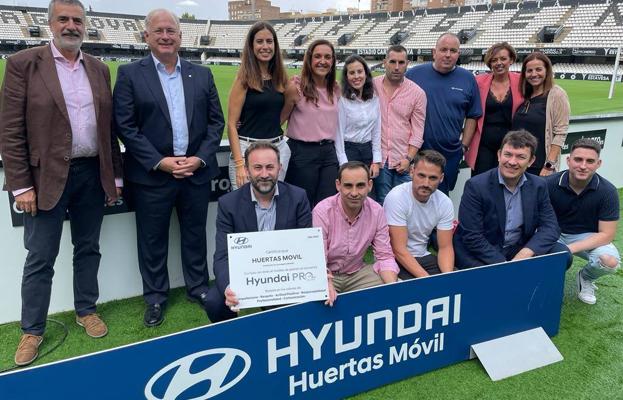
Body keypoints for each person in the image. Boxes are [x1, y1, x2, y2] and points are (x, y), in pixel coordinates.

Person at [0, 0, 122, 366]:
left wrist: (114, 175)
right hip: (45, 178)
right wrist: (20, 184)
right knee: (40, 257)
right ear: (50, 24)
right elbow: (10, 130)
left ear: (86, 25)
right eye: (64, 19)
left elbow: (108, 128)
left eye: (78, 20)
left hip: (90, 174)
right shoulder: (23, 64)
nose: (71, 25)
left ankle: (86, 309)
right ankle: (32, 330)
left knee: (88, 247)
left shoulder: (99, 68)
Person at [113, 9, 224, 327]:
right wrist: (159, 162)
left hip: (195, 172)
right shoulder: (130, 74)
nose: (165, 36)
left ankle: (199, 288)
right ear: (146, 36)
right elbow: (125, 125)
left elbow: (216, 122)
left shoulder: (201, 74)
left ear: (180, 36)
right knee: (152, 239)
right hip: (152, 176)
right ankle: (156, 298)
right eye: (159, 30)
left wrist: (199, 158)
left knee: (194, 234)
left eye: (171, 31)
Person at [207, 142, 324, 322]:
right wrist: (229, 288)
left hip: (285, 275)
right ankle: (233, 338)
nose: (264, 174)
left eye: (270, 167)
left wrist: (317, 274)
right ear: (246, 170)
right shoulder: (228, 204)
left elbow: (307, 249)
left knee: (296, 308)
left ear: (280, 168)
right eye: (257, 168)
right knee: (215, 301)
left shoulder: (298, 197)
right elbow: (222, 257)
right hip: (245, 275)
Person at [453, 130, 571, 269]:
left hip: (516, 249)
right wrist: (504, 265)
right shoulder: (476, 185)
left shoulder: (538, 185)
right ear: (499, 155)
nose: (512, 162)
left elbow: (551, 227)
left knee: (562, 254)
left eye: (520, 157)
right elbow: (472, 236)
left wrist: (525, 253)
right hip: (482, 250)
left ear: (531, 161)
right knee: (494, 279)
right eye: (508, 155)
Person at [546, 138, 620, 304]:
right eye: (578, 159)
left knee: (610, 261)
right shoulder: (548, 184)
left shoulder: (608, 191)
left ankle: (585, 278)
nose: (583, 165)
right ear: (568, 160)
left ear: (598, 163)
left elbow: (606, 234)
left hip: (584, 237)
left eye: (590, 161)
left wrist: (566, 249)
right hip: (552, 233)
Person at [406, 32, 482, 194]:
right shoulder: (414, 75)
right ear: (434, 52)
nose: (448, 55)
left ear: (458, 54)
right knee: (413, 196)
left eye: (453, 51)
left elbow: (473, 115)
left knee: (441, 197)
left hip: (450, 153)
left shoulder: (468, 79)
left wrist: (464, 146)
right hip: (417, 150)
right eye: (443, 49)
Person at [313, 161, 399, 294]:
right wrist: (325, 284)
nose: (354, 193)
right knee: (315, 298)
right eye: (348, 186)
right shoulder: (323, 210)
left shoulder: (377, 211)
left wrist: (393, 288)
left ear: (369, 185)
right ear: (338, 185)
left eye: (360, 186)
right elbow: (318, 259)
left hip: (358, 274)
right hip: (327, 274)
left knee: (396, 285)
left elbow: (384, 255)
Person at [227, 21, 290, 190]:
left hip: (278, 150)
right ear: (251, 45)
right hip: (247, 149)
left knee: (275, 206)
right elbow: (232, 125)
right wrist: (240, 164)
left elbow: (281, 116)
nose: (265, 46)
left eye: (269, 41)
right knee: (244, 209)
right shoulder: (243, 78)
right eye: (259, 41)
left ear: (275, 45)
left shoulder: (281, 78)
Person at [283, 39, 340, 207]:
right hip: (302, 153)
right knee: (302, 205)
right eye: (318, 56)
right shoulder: (296, 87)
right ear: (309, 60)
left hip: (329, 154)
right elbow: (279, 119)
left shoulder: (335, 89)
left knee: (327, 205)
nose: (323, 61)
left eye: (328, 57)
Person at [384, 151, 454, 279]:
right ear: (411, 172)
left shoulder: (444, 202)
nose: (426, 183)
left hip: (423, 256)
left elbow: (445, 248)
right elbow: (399, 249)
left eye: (433, 178)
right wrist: (426, 279)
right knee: (417, 290)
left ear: (441, 178)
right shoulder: (397, 197)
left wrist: (447, 278)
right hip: (396, 260)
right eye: (421, 175)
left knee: (455, 281)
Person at [372, 45, 426, 204]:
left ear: (407, 63)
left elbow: (417, 132)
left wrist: (408, 158)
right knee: (381, 205)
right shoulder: (372, 86)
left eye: (401, 62)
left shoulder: (417, 93)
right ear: (384, 62)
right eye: (392, 61)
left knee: (403, 205)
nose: (397, 67)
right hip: (378, 160)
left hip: (402, 160)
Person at [467, 42, 524, 176]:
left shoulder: (522, 81)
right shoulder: (478, 81)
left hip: (512, 145)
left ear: (511, 60)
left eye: (503, 59)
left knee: (508, 182)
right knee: (480, 183)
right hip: (483, 144)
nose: (499, 63)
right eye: (494, 60)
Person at [512, 52, 569, 176]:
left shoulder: (556, 94)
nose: (534, 74)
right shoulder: (524, 94)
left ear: (547, 71)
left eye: (538, 69)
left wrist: (549, 165)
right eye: (529, 70)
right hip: (517, 164)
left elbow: (560, 133)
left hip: (540, 168)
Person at [335, 55, 381, 179]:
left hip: (368, 151)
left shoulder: (374, 98)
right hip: (349, 150)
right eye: (351, 73)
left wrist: (376, 160)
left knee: (368, 193)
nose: (356, 76)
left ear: (366, 74)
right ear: (346, 76)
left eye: (360, 71)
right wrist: (343, 163)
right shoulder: (343, 100)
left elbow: (376, 130)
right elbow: (338, 134)